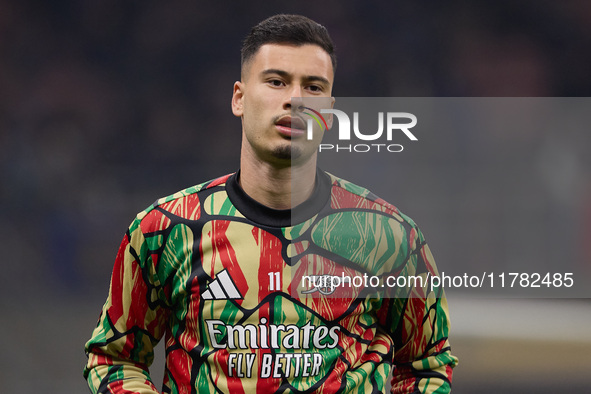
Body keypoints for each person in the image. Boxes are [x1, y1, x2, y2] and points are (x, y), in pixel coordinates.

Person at [84, 14, 458, 393]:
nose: (294, 100)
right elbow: (115, 358)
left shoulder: (389, 235)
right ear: (239, 98)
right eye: (277, 81)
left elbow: (426, 367)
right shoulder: (165, 229)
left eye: (312, 87)